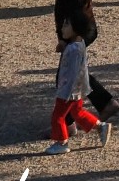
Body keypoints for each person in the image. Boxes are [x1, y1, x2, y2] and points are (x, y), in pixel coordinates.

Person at [44, 0, 119, 122]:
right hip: (78, 30)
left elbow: (75, 6)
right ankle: (104, 104)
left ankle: (67, 123)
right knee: (75, 72)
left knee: (66, 76)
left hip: (78, 30)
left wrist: (67, 38)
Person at [44, 15, 109, 154]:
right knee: (77, 112)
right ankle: (100, 126)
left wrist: (66, 92)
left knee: (58, 116)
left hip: (68, 91)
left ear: (76, 29)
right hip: (76, 89)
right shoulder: (79, 45)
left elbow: (73, 73)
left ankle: (62, 142)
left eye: (66, 25)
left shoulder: (73, 50)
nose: (62, 29)